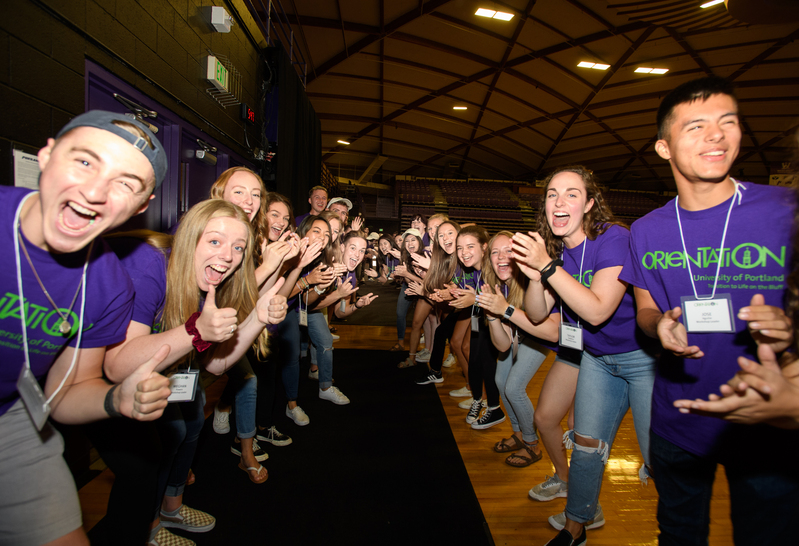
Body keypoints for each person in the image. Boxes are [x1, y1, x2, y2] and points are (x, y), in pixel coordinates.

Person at [620, 76, 799, 545]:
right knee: (678, 535)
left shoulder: (786, 209)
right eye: (696, 126)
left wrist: (793, 326)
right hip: (679, 417)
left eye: (728, 122)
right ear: (664, 147)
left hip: (769, 421)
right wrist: (660, 326)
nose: (716, 135)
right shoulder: (646, 229)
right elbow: (645, 308)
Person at [0, 110, 173, 546]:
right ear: (46, 154)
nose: (95, 191)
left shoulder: (109, 285)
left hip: (11, 419)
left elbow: (63, 396)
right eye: (85, 161)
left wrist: (117, 399)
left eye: (126, 183)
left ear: (141, 206)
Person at [513, 165, 657, 546]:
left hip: (643, 361)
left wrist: (547, 268)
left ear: (590, 204)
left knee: (659, 458)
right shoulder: (555, 251)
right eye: (552, 194)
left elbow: (596, 311)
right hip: (595, 360)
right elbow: (539, 312)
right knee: (587, 445)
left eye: (572, 194)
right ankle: (576, 526)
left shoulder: (614, 237)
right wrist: (534, 275)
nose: (559, 201)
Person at [475, 231, 547, 466]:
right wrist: (492, 316)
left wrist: (503, 310)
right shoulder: (496, 285)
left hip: (540, 335)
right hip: (519, 337)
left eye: (508, 250)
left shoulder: (529, 281)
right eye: (495, 252)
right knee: (500, 381)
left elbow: (538, 324)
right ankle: (519, 433)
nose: (501, 256)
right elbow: (504, 345)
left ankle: (532, 444)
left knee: (514, 387)